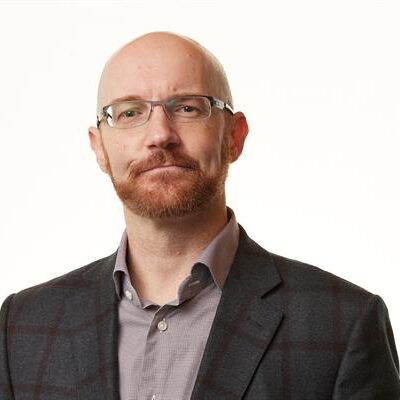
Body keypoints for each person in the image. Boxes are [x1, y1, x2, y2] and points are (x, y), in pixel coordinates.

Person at [0, 31, 399, 400]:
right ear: (99, 148)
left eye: (188, 107)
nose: (160, 134)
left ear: (234, 137)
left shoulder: (342, 326)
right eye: (129, 113)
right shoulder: (21, 327)